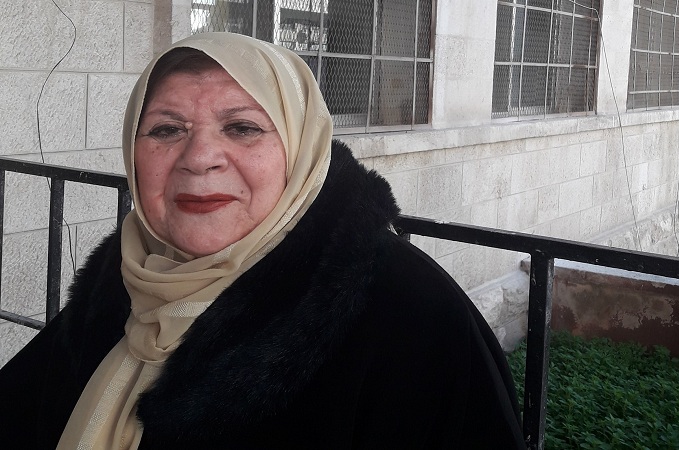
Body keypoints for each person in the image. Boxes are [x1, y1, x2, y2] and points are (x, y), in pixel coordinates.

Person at [0, 32, 526, 449]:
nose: (199, 158)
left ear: (300, 151)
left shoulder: (411, 313)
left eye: (242, 128)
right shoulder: (123, 278)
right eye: (166, 129)